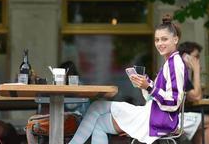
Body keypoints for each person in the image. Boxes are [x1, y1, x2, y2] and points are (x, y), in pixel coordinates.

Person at [68, 15, 188, 144]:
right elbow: (154, 97)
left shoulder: (174, 64)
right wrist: (145, 83)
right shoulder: (171, 62)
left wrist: (148, 87)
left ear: (175, 39)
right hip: (154, 116)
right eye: (157, 40)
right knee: (100, 121)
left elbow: (174, 102)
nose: (159, 44)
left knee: (97, 107)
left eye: (164, 39)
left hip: (156, 120)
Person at [178, 42, 209, 144]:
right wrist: (196, 71)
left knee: (201, 122)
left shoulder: (181, 70)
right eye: (196, 57)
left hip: (169, 115)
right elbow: (197, 97)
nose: (197, 61)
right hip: (169, 118)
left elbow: (192, 95)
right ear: (185, 57)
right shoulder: (179, 71)